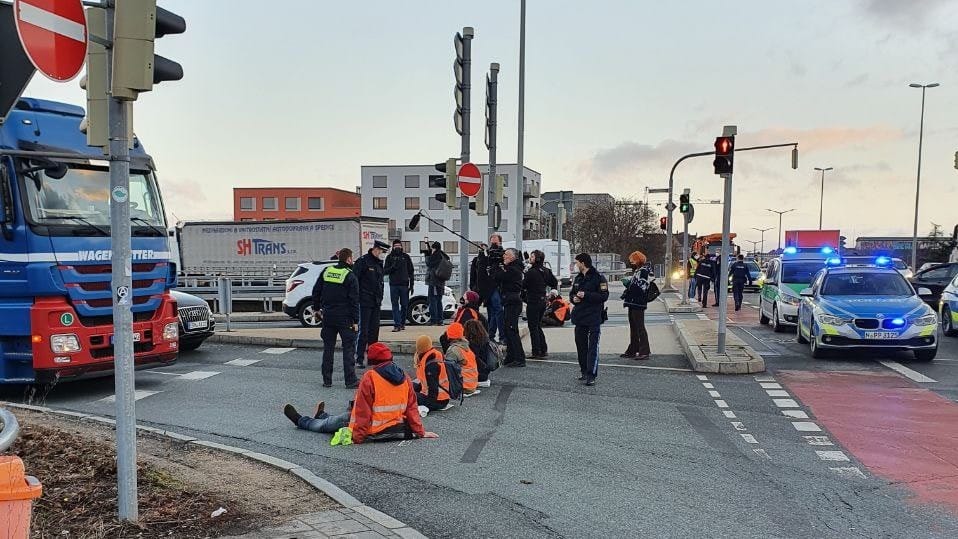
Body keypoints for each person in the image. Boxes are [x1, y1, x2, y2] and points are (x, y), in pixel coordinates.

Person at [283, 343, 437, 444]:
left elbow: (363, 411)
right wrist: (421, 432)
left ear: (372, 360)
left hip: (371, 428)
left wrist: (357, 436)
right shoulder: (404, 376)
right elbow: (412, 408)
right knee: (336, 419)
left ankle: (301, 420)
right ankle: (322, 415)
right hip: (394, 427)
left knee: (326, 425)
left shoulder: (370, 377)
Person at [312, 248, 360, 388]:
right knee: (348, 349)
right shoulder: (350, 276)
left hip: (328, 316)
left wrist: (316, 309)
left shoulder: (327, 271)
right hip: (345, 318)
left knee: (328, 349)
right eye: (352, 258)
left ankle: (327, 380)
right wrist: (356, 321)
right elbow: (354, 301)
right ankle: (350, 380)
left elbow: (316, 291)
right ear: (349, 259)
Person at [569, 253, 609, 386]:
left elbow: (603, 296)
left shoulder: (599, 278)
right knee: (581, 346)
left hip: (593, 317)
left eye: (577, 263)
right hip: (580, 317)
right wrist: (573, 298)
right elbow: (572, 293)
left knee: (593, 346)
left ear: (583, 263)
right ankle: (584, 371)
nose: (576, 265)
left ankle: (591, 374)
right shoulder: (579, 278)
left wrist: (586, 295)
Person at [353, 240, 389, 367]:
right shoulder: (363, 261)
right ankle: (359, 358)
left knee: (374, 331)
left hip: (376, 302)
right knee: (364, 331)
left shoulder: (379, 263)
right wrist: (358, 297)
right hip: (364, 301)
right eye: (382, 251)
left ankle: (373, 357)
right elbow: (355, 280)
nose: (383, 254)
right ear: (376, 249)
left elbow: (380, 283)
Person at [492, 247, 526, 367]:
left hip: (513, 302)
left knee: (512, 330)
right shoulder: (512, 268)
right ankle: (511, 356)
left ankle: (520, 358)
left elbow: (498, 276)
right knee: (508, 329)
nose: (504, 256)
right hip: (509, 301)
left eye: (506, 255)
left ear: (513, 257)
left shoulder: (514, 270)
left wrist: (498, 266)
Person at [522, 249, 558, 359]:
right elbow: (554, 282)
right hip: (543, 300)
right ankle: (543, 349)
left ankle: (536, 351)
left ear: (537, 259)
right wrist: (551, 291)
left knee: (533, 327)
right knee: (537, 325)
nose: (530, 259)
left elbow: (523, 285)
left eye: (532, 257)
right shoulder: (546, 270)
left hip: (533, 300)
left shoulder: (531, 272)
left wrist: (525, 273)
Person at [621, 251, 651, 360]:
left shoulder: (643, 272)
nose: (631, 262)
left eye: (632, 260)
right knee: (634, 327)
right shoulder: (638, 271)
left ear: (638, 260)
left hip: (638, 303)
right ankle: (633, 349)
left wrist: (629, 284)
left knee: (639, 327)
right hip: (633, 302)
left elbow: (641, 287)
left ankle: (644, 351)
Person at [413, 335, 452, 413]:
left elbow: (433, 388)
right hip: (440, 397)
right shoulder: (433, 356)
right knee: (409, 386)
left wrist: (428, 405)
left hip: (438, 400)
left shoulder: (431, 364)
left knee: (408, 395)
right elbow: (426, 382)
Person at [384, 238, 414, 332]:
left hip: (404, 285)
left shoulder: (406, 257)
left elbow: (411, 271)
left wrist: (411, 285)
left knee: (404, 305)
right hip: (394, 285)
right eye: (395, 246)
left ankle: (402, 323)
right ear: (393, 247)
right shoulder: (389, 257)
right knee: (395, 305)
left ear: (401, 247)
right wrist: (392, 267)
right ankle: (397, 324)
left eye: (399, 246)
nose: (397, 247)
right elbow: (385, 271)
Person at [444, 323, 480, 397]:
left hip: (463, 387)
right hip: (472, 384)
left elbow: (448, 369)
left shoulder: (453, 350)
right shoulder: (465, 346)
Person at [483, 235, 506, 341]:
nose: (493, 245)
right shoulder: (487, 254)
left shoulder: (504, 254)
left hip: (499, 285)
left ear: (500, 243)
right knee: (492, 311)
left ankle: (500, 335)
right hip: (489, 286)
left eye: (495, 243)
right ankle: (491, 335)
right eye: (492, 243)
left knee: (498, 310)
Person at [463, 319, 493, 388]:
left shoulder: (472, 344)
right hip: (484, 373)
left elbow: (473, 359)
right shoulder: (485, 340)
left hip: (476, 374)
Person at [425, 242, 449, 325]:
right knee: (439, 300)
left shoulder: (435, 256)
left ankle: (434, 320)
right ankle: (440, 320)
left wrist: (427, 255)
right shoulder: (443, 255)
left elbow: (428, 264)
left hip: (434, 282)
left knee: (433, 301)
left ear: (434, 248)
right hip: (441, 282)